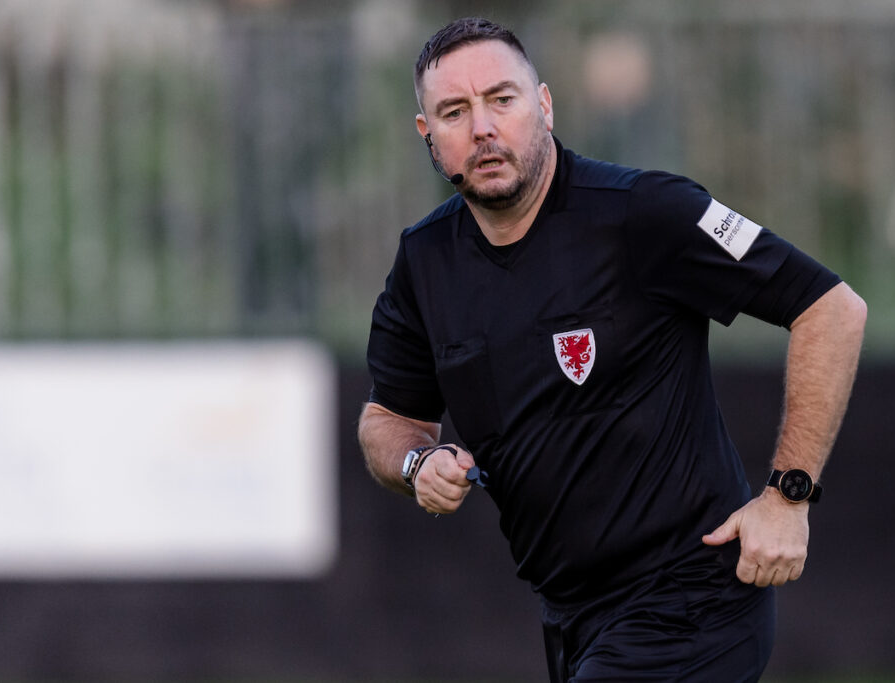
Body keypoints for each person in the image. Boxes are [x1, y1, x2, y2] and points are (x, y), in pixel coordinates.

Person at [358, 16, 867, 683]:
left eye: (501, 100)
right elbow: (386, 419)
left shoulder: (644, 212)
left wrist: (789, 495)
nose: (482, 127)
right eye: (454, 111)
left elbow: (831, 307)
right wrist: (418, 459)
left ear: (543, 105)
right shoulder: (425, 262)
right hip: (573, 618)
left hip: (693, 599)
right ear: (429, 137)